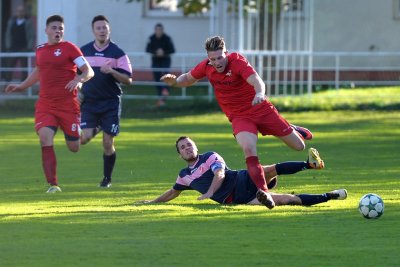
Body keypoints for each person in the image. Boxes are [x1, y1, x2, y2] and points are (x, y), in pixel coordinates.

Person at [161, 36, 314, 209]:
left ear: (226, 53)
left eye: (220, 57)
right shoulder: (206, 66)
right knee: (248, 148)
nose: (217, 62)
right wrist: (174, 82)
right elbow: (188, 78)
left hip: (260, 108)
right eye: (213, 59)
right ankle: (264, 193)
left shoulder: (237, 61)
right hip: (239, 116)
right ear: (208, 58)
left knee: (299, 147)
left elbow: (257, 81)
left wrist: (259, 93)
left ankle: (291, 128)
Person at [4, 15, 94, 193]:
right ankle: (53, 184)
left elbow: (88, 71)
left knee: (74, 147)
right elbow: (38, 70)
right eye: (54, 28)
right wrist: (22, 86)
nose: (57, 31)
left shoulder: (70, 49)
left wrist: (79, 80)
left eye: (60, 28)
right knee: (45, 138)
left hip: (68, 105)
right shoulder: (40, 50)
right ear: (46, 31)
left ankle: (82, 131)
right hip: (46, 105)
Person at [136, 136, 347, 207]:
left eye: (189, 145)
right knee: (286, 200)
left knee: (268, 169)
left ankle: (310, 165)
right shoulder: (184, 175)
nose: (187, 148)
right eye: (182, 148)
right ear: (180, 155)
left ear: (196, 147)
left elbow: (220, 174)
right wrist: (152, 203)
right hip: (238, 199)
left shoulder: (210, 156)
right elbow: (173, 192)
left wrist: (209, 193)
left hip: (241, 180)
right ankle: (330, 196)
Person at [79, 15, 132, 188]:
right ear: (93, 31)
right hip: (89, 102)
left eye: (104, 27)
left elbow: (128, 80)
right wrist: (77, 89)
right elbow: (75, 73)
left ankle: (107, 179)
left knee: (108, 143)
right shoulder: (84, 51)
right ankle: (98, 126)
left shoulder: (118, 53)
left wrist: (112, 71)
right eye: (98, 28)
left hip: (110, 103)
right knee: (85, 138)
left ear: (109, 30)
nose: (102, 30)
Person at [146, 23, 175, 107]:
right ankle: (161, 97)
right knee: (157, 79)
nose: (159, 31)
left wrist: (163, 52)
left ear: (162, 30)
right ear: (155, 30)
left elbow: (172, 50)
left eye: (160, 30)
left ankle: (165, 91)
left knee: (167, 77)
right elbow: (147, 49)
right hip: (155, 61)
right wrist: (156, 52)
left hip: (165, 61)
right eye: (157, 30)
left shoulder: (167, 38)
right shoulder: (151, 38)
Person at [3, 4, 35, 81]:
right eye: (18, 11)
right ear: (16, 12)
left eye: (22, 11)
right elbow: (8, 34)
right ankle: (7, 84)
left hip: (24, 48)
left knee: (24, 68)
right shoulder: (11, 22)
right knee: (9, 66)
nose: (20, 13)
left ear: (24, 12)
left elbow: (31, 35)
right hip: (13, 48)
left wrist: (29, 47)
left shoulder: (28, 22)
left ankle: (23, 86)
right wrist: (8, 46)